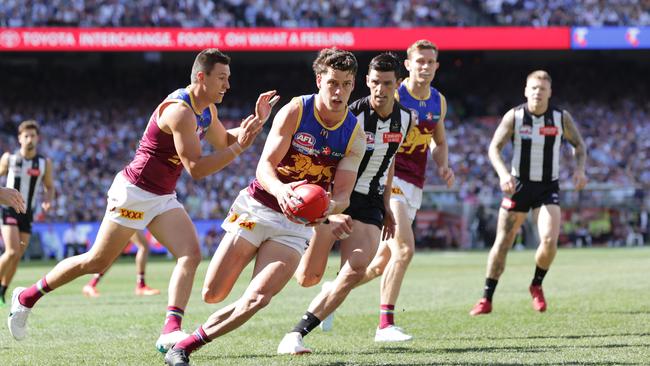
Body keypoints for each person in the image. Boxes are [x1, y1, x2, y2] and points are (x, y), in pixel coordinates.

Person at [8, 49, 279, 354]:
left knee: (190, 254)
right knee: (96, 261)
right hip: (134, 192)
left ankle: (171, 330)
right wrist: (240, 149)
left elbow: (222, 141)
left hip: (161, 195)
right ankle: (26, 297)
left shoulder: (207, 110)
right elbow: (197, 169)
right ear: (201, 77)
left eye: (228, 78)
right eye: (222, 78)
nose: (227, 86)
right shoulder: (180, 111)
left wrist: (255, 123)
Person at [164, 47, 365, 366]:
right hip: (259, 204)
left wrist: (326, 207)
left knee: (258, 298)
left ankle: (185, 347)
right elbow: (265, 167)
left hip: (296, 224)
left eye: (346, 84)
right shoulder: (296, 111)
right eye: (332, 83)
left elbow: (343, 195)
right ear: (319, 80)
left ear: (354, 86)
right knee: (213, 293)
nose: (338, 91)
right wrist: (283, 191)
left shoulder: (355, 134)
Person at [276, 52, 415, 355]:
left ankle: (296, 334)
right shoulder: (352, 115)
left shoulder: (406, 119)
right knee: (307, 278)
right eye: (375, 82)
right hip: (335, 199)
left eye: (388, 83)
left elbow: (389, 161)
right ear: (366, 82)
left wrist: (389, 203)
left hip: (370, 202)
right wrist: (323, 205)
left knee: (355, 269)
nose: (381, 89)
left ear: (398, 85)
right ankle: (327, 289)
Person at [355, 40, 454, 341]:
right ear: (408, 65)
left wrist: (443, 164)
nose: (425, 66)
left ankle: (331, 294)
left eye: (430, 62)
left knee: (379, 265)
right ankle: (385, 325)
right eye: (419, 61)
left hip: (416, 183)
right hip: (389, 178)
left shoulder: (438, 101)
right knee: (405, 250)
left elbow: (438, 140)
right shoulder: (394, 94)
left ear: (437, 66)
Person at [469, 70, 587, 316]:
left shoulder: (560, 118)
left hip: (547, 187)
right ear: (526, 90)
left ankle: (536, 284)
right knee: (502, 242)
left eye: (542, 88)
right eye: (533, 88)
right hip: (518, 186)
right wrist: (503, 174)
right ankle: (486, 298)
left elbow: (579, 145)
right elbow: (494, 148)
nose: (537, 92)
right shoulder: (515, 116)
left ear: (549, 92)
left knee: (549, 241)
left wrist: (579, 170)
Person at [0, 120, 54, 307]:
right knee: (12, 250)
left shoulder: (44, 163)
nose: (30, 139)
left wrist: (48, 200)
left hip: (27, 212)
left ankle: (2, 292)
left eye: (33, 135)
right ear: (19, 139)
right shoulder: (9, 159)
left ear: (37, 138)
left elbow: (49, 186)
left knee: (17, 255)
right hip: (8, 210)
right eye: (26, 136)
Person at [82, 230, 161, 297]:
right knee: (143, 247)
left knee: (114, 254)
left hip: (128, 217)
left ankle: (91, 284)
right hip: (131, 217)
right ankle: (141, 286)